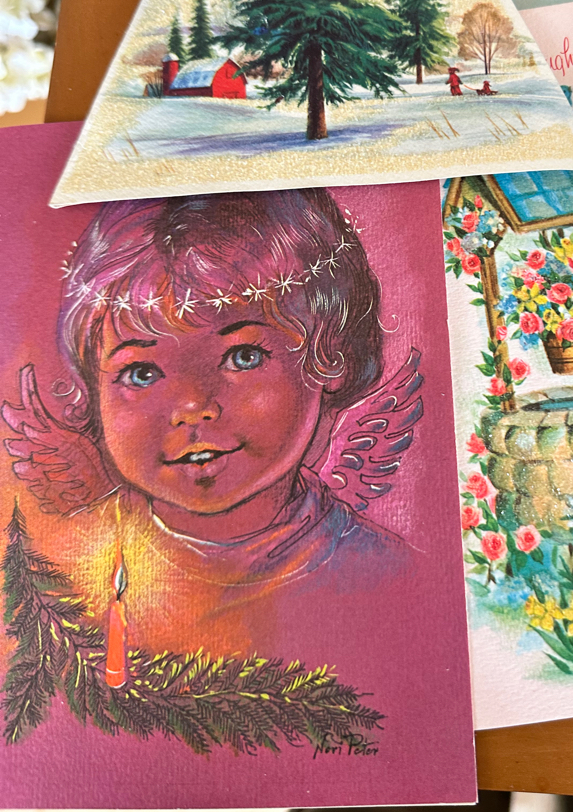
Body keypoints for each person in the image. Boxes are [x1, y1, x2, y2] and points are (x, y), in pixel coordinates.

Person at [1, 190, 416, 656]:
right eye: (142, 373)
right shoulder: (50, 579)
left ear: (329, 357)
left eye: (243, 356)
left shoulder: (388, 574)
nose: (193, 406)